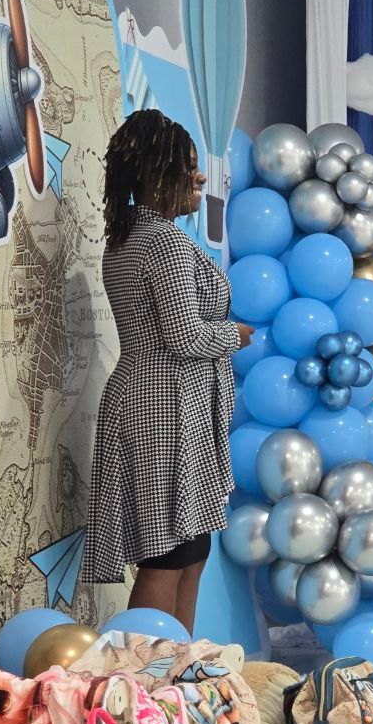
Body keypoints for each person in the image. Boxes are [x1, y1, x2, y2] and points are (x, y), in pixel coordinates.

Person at [82, 109, 253, 633]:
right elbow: (185, 337)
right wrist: (236, 336)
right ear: (157, 174)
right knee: (171, 551)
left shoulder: (126, 240)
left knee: (188, 547)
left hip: (154, 403)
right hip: (166, 408)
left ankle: (173, 675)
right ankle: (144, 681)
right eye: (189, 166)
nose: (200, 177)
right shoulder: (168, 245)